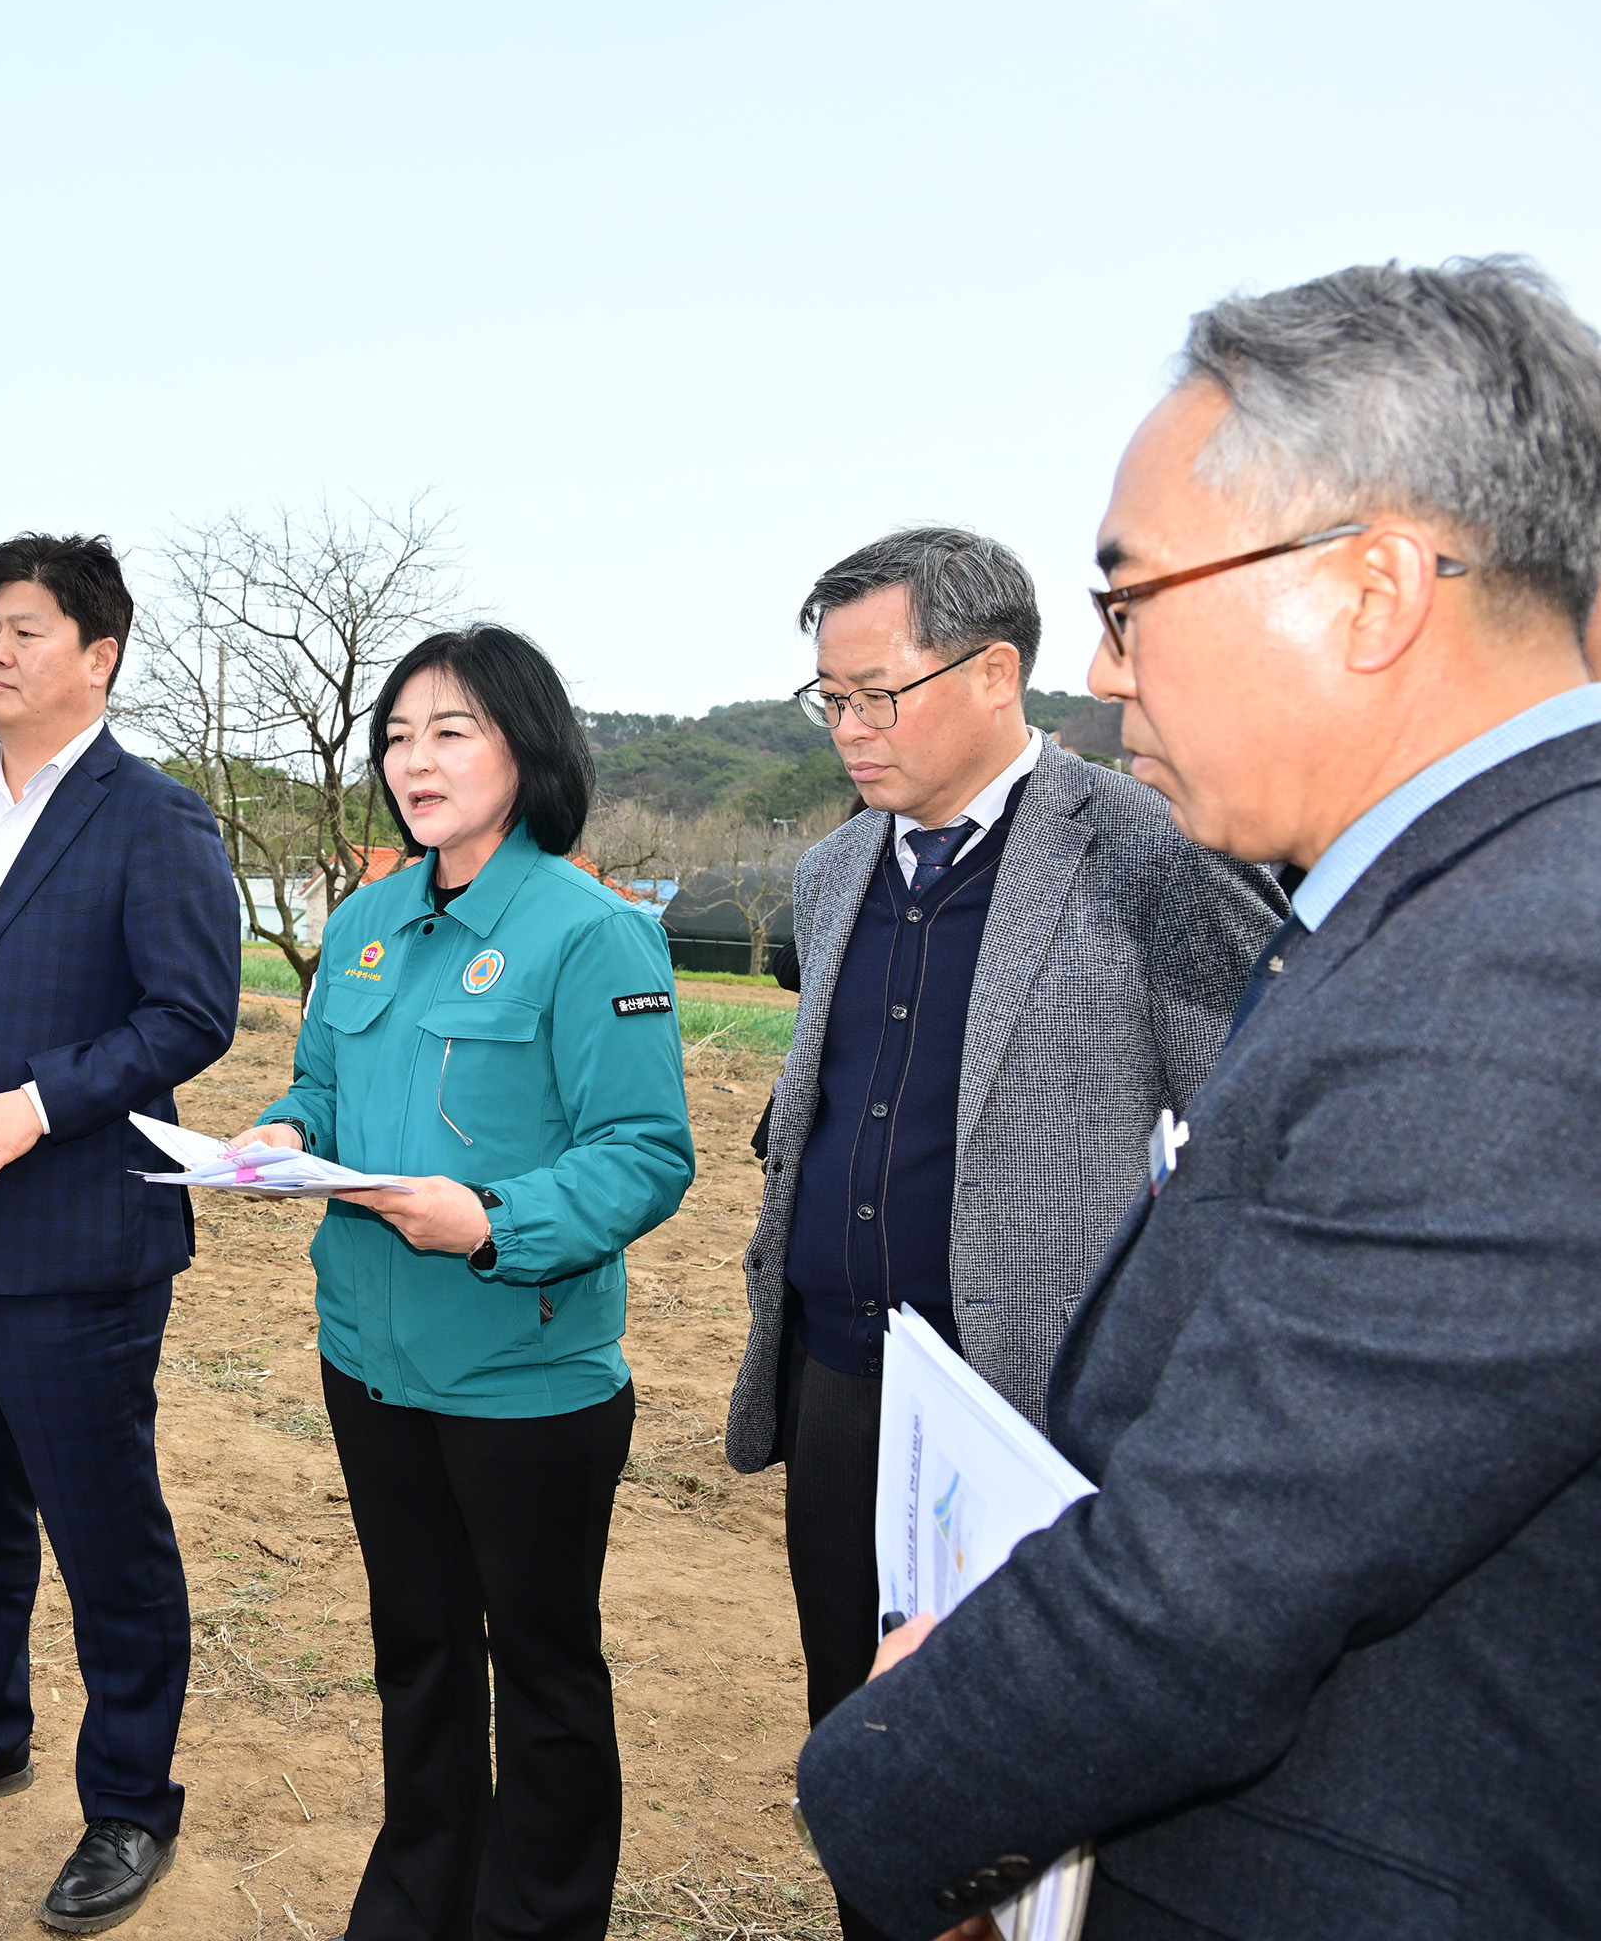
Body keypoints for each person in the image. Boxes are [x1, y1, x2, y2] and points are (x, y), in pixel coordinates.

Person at [796, 258, 1601, 1938]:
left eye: (1133, 600)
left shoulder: (1524, 972)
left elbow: (1221, 1577)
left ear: (1373, 590)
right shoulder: (1451, 907)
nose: (1104, 672)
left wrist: (895, 1787)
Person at [727, 530, 1283, 1941]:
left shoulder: (1144, 851)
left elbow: (1263, 1124)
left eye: (878, 693)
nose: (849, 727)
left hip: (1031, 1414)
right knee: (865, 1742)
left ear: (994, 673)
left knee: (1026, 1782)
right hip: (843, 1387)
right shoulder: (834, 869)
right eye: (828, 698)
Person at [234, 624, 693, 1941]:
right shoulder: (366, 921)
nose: (413, 761)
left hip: (523, 1378)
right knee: (420, 1654)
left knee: (542, 1676)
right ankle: (418, 1901)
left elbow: (645, 1154)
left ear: (524, 747)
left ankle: (538, 1916)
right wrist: (283, 1130)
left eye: (450, 731)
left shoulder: (592, 934)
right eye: (397, 736)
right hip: (371, 1362)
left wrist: (491, 1220)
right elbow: (325, 1086)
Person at [0, 534, 241, 1935]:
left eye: (25, 628)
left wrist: (42, 1102)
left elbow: (190, 1014)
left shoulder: (155, 817)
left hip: (80, 1238)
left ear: (99, 655)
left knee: (104, 1531)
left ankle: (131, 1801)